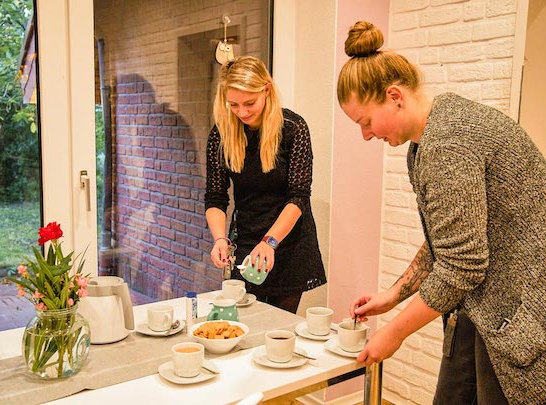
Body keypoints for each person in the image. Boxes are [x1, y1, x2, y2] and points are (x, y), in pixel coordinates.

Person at [337, 21, 546, 405]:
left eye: (366, 121)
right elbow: (446, 245)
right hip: (479, 306)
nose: (366, 135)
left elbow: (463, 265)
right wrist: (392, 296)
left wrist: (395, 332)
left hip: (517, 312)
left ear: (394, 96)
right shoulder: (428, 139)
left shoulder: (446, 145)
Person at [204, 56, 326, 314]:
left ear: (266, 90)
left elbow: (299, 197)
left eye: (249, 103)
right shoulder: (222, 134)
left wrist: (270, 242)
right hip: (247, 241)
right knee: (246, 322)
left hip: (289, 243)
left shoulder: (293, 128)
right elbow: (215, 197)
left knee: (280, 327)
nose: (242, 112)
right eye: (233, 104)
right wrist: (219, 239)